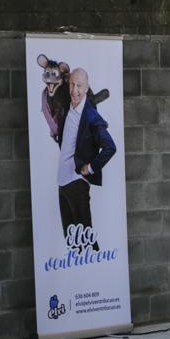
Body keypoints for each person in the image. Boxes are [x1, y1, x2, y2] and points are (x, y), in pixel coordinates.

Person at [57, 68, 116, 250]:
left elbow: (110, 147)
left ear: (87, 87)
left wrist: (90, 168)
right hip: (62, 183)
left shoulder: (91, 116)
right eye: (72, 84)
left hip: (77, 183)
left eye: (79, 86)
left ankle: (102, 269)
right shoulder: (67, 108)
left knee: (88, 242)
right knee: (72, 243)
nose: (75, 90)